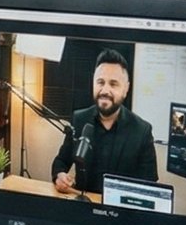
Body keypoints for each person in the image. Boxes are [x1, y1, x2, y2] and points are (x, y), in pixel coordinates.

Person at [53, 47, 156, 195]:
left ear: (126, 89)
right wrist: (60, 176)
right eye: (100, 82)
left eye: (113, 84)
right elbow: (61, 162)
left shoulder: (142, 131)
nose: (105, 90)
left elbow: (149, 186)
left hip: (121, 214)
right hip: (84, 207)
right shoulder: (80, 119)